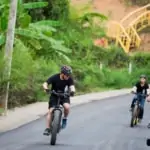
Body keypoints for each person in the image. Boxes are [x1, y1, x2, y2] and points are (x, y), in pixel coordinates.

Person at [42, 65, 75, 136]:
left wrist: (72, 92)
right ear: (62, 74)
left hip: (64, 95)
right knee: (51, 111)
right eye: (67, 75)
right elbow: (45, 83)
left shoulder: (69, 79)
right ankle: (47, 128)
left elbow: (72, 86)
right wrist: (46, 88)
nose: (68, 76)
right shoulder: (55, 77)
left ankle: (65, 119)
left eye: (69, 75)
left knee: (67, 107)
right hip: (55, 95)